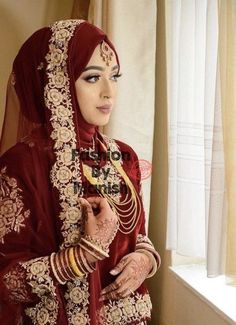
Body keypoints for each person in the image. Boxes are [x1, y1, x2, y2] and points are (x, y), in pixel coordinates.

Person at [0, 19, 161, 325]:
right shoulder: (20, 165)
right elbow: (7, 282)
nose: (108, 92)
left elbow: (138, 235)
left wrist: (146, 260)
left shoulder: (122, 157)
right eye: (91, 78)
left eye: (115, 77)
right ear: (56, 82)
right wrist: (83, 254)